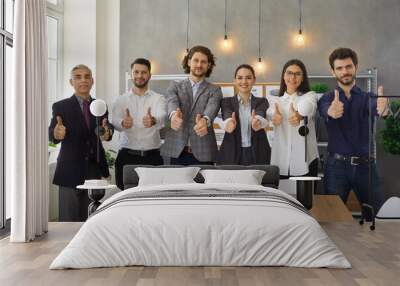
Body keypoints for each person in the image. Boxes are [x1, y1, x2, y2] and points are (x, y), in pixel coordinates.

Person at [318, 47, 388, 212]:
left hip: (366, 167)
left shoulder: (369, 98)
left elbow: (380, 109)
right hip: (336, 167)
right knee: (332, 219)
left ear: (355, 67)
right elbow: (325, 110)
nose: (345, 72)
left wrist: (384, 109)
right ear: (333, 72)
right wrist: (331, 111)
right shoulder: (326, 98)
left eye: (348, 66)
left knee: (378, 218)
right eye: (340, 68)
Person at [49, 64, 113, 221]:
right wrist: (56, 134)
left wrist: (107, 133)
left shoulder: (100, 106)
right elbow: (53, 134)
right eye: (78, 77)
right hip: (69, 170)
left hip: (93, 171)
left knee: (91, 220)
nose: (83, 80)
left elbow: (106, 130)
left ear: (92, 81)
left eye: (87, 76)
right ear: (71, 82)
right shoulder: (61, 106)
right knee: (68, 222)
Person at [161, 45, 223, 165]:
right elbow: (171, 102)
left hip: (204, 153)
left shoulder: (214, 90)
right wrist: (174, 115)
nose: (199, 65)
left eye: (203, 62)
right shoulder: (175, 86)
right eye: (196, 60)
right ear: (189, 62)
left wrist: (205, 120)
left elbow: (212, 108)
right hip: (177, 151)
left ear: (209, 65)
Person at [112, 58, 166, 190]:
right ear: (131, 74)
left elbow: (163, 118)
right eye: (136, 72)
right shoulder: (121, 100)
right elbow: (114, 122)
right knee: (125, 199)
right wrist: (123, 123)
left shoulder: (158, 98)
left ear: (149, 75)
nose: (139, 76)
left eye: (143, 72)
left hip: (153, 158)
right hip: (126, 157)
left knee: (154, 199)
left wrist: (153, 120)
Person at [268, 59, 319, 178]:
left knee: (306, 197)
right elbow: (269, 113)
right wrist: (273, 117)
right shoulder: (274, 100)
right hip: (280, 162)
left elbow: (308, 107)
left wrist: (299, 115)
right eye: (289, 73)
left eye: (297, 74)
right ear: (283, 76)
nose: (293, 77)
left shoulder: (310, 96)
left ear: (303, 78)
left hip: (306, 160)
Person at [217, 64, 270, 165]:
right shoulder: (226, 102)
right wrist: (228, 122)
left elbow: (260, 113)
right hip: (231, 152)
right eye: (240, 78)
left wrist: (257, 121)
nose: (244, 81)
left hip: (258, 152)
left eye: (248, 78)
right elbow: (227, 114)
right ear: (235, 80)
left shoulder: (262, 101)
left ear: (254, 80)